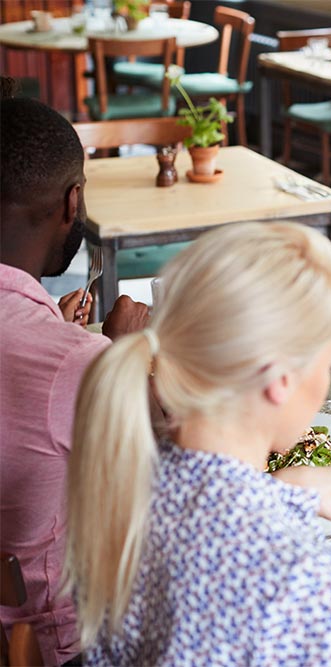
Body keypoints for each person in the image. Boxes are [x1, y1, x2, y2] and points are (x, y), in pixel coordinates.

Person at [63, 222, 331, 666]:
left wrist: (279, 490)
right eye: (326, 364)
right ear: (280, 381)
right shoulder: (302, 577)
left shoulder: (120, 473)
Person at [0, 96, 148, 666]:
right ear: (73, 200)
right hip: (55, 644)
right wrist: (120, 356)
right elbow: (163, 472)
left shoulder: (59, 349)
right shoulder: (73, 363)